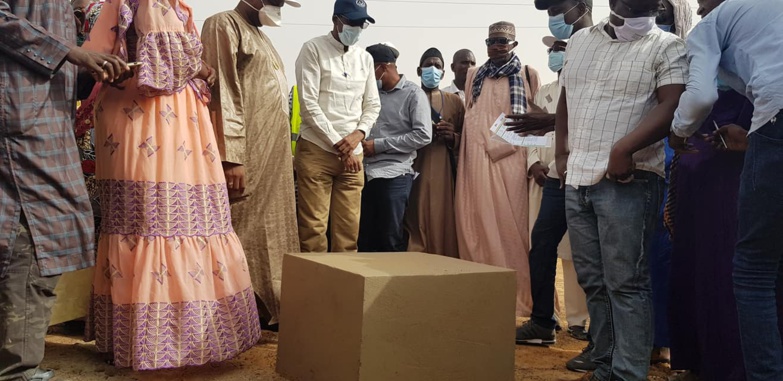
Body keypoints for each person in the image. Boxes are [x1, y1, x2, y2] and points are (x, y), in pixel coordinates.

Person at [82, 0, 261, 370]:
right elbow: (165, 67)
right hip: (155, 121)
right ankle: (165, 345)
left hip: (147, 119)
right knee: (162, 220)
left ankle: (136, 340)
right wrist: (201, 66)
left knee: (147, 222)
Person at [555, 0, 688, 378]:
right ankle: (604, 365)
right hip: (578, 176)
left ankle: (628, 373)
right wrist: (561, 153)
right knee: (594, 281)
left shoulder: (667, 46)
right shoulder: (580, 41)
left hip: (629, 179)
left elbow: (673, 102)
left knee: (626, 283)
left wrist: (623, 148)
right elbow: (567, 97)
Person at [0, 1, 131, 379]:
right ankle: (15, 370)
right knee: (31, 236)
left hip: (46, 116)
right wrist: (70, 52)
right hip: (21, 117)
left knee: (39, 235)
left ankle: (16, 364)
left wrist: (91, 71)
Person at [670, 1, 783, 380]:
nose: (700, 11)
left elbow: (701, 96)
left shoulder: (713, 24)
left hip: (776, 118)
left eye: (702, 5)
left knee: (754, 268)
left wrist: (680, 130)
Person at [201, 0, 301, 330]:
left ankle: (268, 310)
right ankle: (231, 318)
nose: (277, 6)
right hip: (247, 158)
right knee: (240, 231)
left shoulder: (261, 36)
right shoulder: (223, 25)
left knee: (273, 233)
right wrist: (232, 157)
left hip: (273, 158)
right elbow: (223, 93)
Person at [455, 21, 540, 317]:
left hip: (511, 162)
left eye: (502, 41)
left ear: (513, 44)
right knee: (473, 222)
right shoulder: (474, 76)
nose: (496, 46)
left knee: (511, 228)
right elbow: (471, 114)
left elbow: (533, 120)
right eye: (492, 41)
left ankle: (519, 297)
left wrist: (501, 146)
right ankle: (480, 293)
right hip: (473, 161)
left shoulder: (527, 74)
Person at [515, 37, 589, 347]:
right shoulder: (544, 92)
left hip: (578, 176)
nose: (554, 54)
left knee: (578, 254)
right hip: (545, 178)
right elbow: (531, 133)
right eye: (551, 49)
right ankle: (544, 321)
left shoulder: (585, 87)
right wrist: (533, 164)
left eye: (561, 48)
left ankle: (580, 321)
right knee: (542, 248)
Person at [294, 0, 381, 253]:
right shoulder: (313, 49)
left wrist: (358, 135)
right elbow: (308, 104)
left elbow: (372, 105)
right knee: (313, 230)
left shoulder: (364, 58)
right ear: (336, 20)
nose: (357, 28)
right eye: (352, 23)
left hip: (353, 153)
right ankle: (314, 289)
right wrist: (342, 145)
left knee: (349, 232)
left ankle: (344, 290)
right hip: (318, 150)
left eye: (361, 24)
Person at [48, 0, 107, 330]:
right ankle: (77, 311)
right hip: (82, 126)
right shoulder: (79, 12)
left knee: (88, 219)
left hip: (91, 127)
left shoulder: (100, 11)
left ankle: (81, 311)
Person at [644, 0, 692, 369]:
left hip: (681, 151)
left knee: (668, 247)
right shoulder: (636, 48)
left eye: (664, 10)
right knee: (643, 252)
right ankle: (646, 337)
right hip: (645, 150)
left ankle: (667, 339)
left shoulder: (691, 52)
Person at [358, 44, 432, 252]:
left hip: (394, 174)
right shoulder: (371, 94)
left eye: (368, 70)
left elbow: (423, 135)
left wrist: (379, 145)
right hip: (364, 173)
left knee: (390, 237)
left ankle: (393, 283)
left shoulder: (413, 95)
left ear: (381, 68)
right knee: (363, 236)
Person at [404, 47, 464, 257]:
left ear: (444, 73)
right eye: (428, 65)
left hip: (444, 169)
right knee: (415, 214)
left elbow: (467, 138)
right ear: (419, 71)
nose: (433, 69)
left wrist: (452, 136)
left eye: (437, 66)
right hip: (413, 166)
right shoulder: (407, 96)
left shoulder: (455, 102)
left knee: (442, 216)